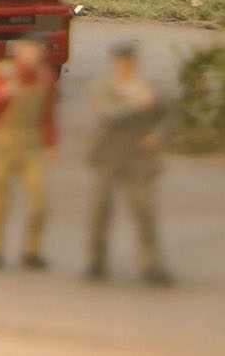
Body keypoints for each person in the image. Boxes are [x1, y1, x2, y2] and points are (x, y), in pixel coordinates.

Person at [0, 36, 58, 270]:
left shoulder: (45, 78)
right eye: (27, 50)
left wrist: (51, 144)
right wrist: (3, 93)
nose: (32, 55)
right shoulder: (2, 74)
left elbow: (47, 115)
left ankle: (31, 250)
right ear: (17, 50)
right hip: (4, 141)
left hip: (31, 144)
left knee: (39, 203)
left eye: (36, 51)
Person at [85, 43, 171, 285]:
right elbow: (106, 115)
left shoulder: (148, 87)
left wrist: (158, 135)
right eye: (121, 63)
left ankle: (151, 264)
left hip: (139, 157)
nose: (124, 67)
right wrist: (136, 104)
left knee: (144, 209)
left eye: (129, 63)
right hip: (108, 154)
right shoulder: (101, 86)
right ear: (114, 64)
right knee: (100, 208)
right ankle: (96, 261)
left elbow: (169, 116)